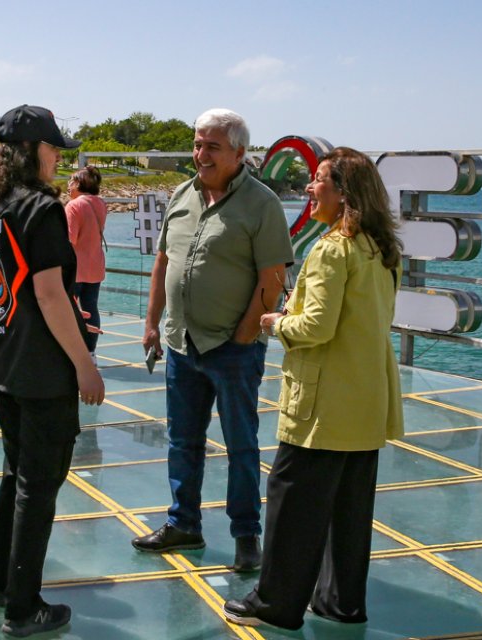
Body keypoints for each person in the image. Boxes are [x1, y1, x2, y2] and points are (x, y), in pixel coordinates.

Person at [223, 147, 405, 630]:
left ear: (344, 193)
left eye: (319, 180)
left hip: (322, 407)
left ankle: (275, 604)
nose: (309, 187)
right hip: (365, 402)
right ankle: (341, 602)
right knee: (348, 510)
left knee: (292, 500)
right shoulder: (381, 249)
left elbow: (317, 327)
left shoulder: (332, 248)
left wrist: (275, 323)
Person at [132, 109, 293, 575]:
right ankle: (184, 523)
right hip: (182, 344)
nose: (201, 155)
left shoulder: (261, 205)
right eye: (197, 145)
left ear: (239, 153)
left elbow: (272, 277)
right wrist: (152, 323)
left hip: (232, 349)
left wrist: (245, 336)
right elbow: (164, 262)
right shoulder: (182, 195)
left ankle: (246, 536)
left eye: (212, 147)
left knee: (241, 444)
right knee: (183, 441)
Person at [0, 104, 103, 637]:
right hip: (43, 370)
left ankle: (3, 583)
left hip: (2, 360)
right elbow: (47, 293)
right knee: (38, 486)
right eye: (52, 148)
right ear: (32, 150)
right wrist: (85, 365)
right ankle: (24, 607)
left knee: (16, 476)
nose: (58, 158)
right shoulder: (40, 210)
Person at [64, 166, 107, 361]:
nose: (68, 186)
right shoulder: (100, 204)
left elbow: (69, 240)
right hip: (95, 266)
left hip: (75, 269)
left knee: (70, 310)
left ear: (79, 184)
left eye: (71, 182)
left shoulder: (73, 206)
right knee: (91, 308)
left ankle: (71, 351)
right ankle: (91, 351)